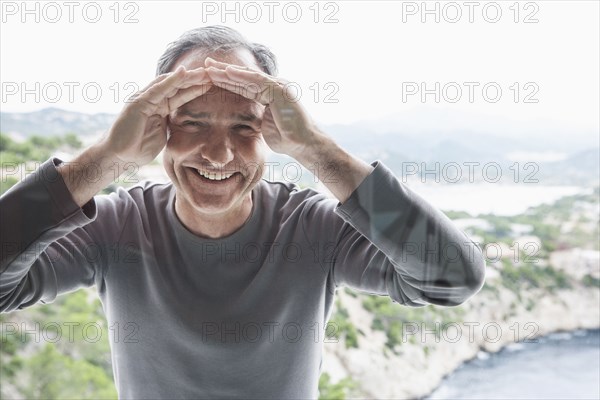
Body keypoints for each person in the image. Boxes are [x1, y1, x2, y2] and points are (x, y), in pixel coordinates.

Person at [0, 26, 485, 399]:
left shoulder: (313, 227)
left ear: (273, 133)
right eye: (192, 123)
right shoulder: (114, 226)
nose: (218, 155)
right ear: (158, 127)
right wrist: (107, 158)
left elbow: (452, 278)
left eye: (243, 127)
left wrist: (316, 150)